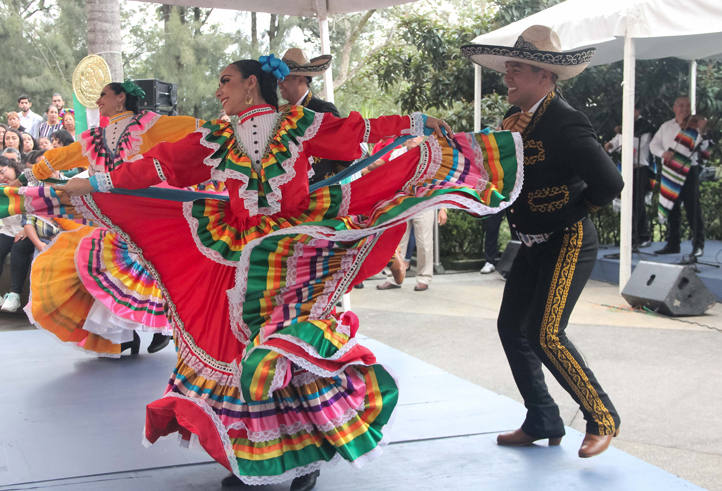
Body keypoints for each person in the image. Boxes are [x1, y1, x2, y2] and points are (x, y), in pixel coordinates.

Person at [43, 56, 523, 490]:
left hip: (295, 252)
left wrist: (415, 123)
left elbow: (360, 132)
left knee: (287, 352)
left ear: (252, 85)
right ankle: (248, 458)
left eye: (225, 80)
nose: (218, 92)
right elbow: (158, 165)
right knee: (238, 353)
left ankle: (307, 459)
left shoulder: (301, 123)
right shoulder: (216, 137)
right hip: (235, 251)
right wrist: (94, 183)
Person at [462, 25, 623, 458]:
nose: (507, 75)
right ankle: (543, 418)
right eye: (508, 67)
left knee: (545, 332)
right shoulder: (514, 122)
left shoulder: (566, 121)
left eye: (516, 68)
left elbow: (609, 182)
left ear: (544, 76)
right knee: (510, 328)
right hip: (531, 242)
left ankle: (601, 416)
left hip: (568, 240)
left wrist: (572, 212)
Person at [8, 80, 203, 358]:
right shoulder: (94, 137)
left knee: (150, 270)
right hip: (111, 216)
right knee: (104, 268)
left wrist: (226, 133)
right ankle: (127, 337)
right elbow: (63, 156)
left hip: (146, 213)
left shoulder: (150, 124)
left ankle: (161, 330)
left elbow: (195, 128)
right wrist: (27, 177)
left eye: (104, 95)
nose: (99, 100)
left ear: (120, 98)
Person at [375, 136, 447, 291]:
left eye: (416, 135)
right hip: (401, 203)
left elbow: (440, 182)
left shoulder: (431, 156)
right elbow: (389, 178)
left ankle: (424, 279)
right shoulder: (396, 154)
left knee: (424, 244)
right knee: (395, 242)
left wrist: (443, 208)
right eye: (410, 135)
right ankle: (392, 277)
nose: (412, 139)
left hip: (424, 203)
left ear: (423, 138)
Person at [279, 48, 350, 186]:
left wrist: (330, 176)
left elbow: (346, 145)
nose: (279, 84)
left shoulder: (322, 109)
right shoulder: (281, 113)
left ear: (300, 80)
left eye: (284, 79)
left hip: (320, 192)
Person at [650, 97, 705, 257]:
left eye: (688, 106)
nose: (684, 108)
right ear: (674, 107)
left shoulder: (696, 125)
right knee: (671, 207)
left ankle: (698, 245)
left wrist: (702, 130)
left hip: (689, 171)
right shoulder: (666, 126)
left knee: (692, 208)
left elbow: (704, 146)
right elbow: (654, 144)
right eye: (681, 105)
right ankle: (673, 244)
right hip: (670, 171)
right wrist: (663, 153)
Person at [604, 108, 655, 249]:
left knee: (638, 203)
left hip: (639, 168)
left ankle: (641, 236)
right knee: (626, 203)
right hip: (626, 169)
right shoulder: (624, 126)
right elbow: (616, 142)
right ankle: (628, 236)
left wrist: (623, 133)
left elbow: (638, 145)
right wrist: (610, 146)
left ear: (638, 111)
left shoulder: (645, 126)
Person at [0, 158, 35, 313]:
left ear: (12, 166)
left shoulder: (29, 183)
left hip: (29, 229)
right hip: (8, 230)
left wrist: (26, 228)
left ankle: (15, 294)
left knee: (19, 249)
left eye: (2, 171)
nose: (2, 177)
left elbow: (37, 210)